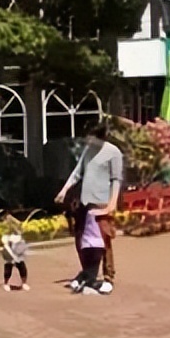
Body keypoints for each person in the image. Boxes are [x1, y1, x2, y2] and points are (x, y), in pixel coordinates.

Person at [55, 123, 122, 293]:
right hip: (85, 201)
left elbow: (116, 180)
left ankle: (108, 277)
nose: (87, 140)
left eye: (90, 137)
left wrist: (111, 204)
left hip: (101, 201)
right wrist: (64, 191)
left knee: (104, 240)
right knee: (82, 241)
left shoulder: (113, 153)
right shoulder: (88, 149)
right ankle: (87, 273)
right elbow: (77, 172)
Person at [0, 215, 29, 292]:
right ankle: (6, 283)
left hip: (17, 247)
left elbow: (20, 228)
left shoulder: (15, 225)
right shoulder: (4, 226)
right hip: (9, 248)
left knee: (22, 267)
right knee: (8, 267)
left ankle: (24, 283)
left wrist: (13, 222)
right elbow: (4, 237)